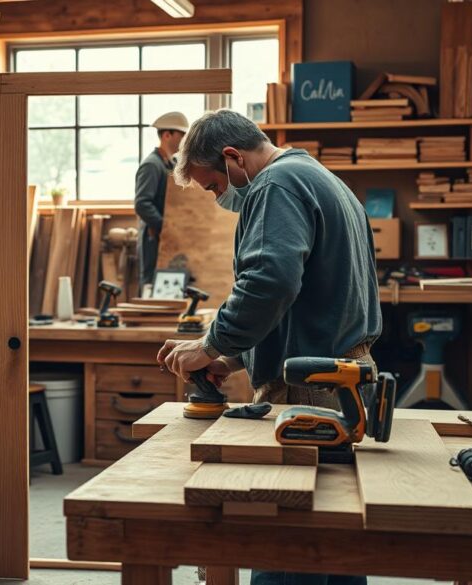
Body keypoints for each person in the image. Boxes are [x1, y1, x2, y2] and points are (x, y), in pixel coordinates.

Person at [156, 109, 381, 585]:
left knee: (285, 541)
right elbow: (307, 298)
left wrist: (210, 343)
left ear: (233, 157)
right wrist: (231, 356)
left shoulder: (275, 186)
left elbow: (270, 281)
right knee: (334, 544)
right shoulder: (324, 180)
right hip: (340, 376)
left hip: (310, 389)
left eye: (215, 186)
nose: (220, 198)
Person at [134, 111, 188, 293]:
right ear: (167, 135)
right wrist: (164, 227)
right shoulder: (152, 165)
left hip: (164, 236)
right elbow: (142, 203)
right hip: (154, 237)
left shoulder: (169, 164)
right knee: (151, 284)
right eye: (182, 135)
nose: (184, 140)